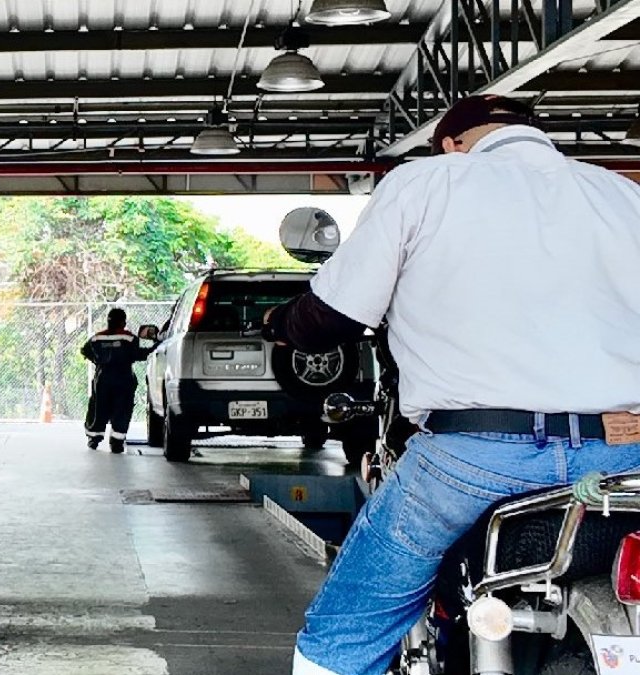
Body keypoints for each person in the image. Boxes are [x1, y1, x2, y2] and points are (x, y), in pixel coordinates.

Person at [261, 94, 640, 675]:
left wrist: (282, 326)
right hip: (625, 454)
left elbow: (332, 317)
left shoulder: (427, 183)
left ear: (451, 144)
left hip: (476, 455)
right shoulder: (622, 194)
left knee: (349, 628)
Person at [81, 308, 153, 453]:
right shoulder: (129, 338)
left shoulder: (97, 338)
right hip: (123, 378)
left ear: (108, 320)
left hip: (103, 378)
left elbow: (85, 350)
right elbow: (137, 355)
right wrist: (154, 349)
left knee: (99, 408)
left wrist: (97, 361)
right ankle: (116, 442)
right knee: (122, 409)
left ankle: (94, 439)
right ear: (123, 322)